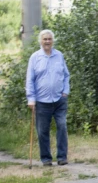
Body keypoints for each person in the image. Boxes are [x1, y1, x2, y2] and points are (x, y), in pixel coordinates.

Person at [26, 29, 71, 166]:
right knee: (43, 131)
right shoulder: (35, 57)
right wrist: (31, 99)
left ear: (53, 41)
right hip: (41, 101)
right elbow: (30, 79)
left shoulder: (59, 56)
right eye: (45, 39)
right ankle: (46, 159)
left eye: (49, 39)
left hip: (59, 99)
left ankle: (62, 157)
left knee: (62, 126)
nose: (47, 41)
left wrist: (65, 91)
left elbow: (66, 75)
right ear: (40, 41)